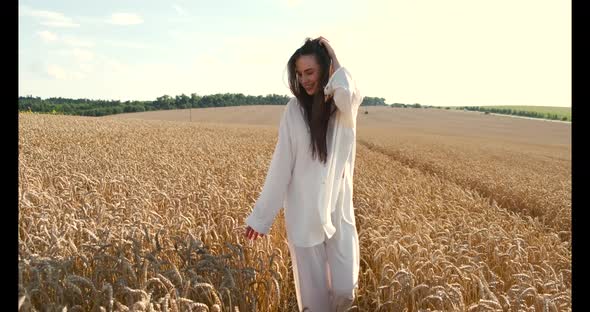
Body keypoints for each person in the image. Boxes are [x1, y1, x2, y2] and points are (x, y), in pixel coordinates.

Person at [244, 36, 363, 312]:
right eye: (299, 73)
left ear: (325, 68)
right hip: (304, 213)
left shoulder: (345, 108)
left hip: (338, 212)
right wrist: (261, 218)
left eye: (310, 71)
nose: (305, 79)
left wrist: (333, 55)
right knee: (315, 303)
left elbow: (347, 91)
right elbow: (281, 165)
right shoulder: (294, 111)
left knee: (346, 291)